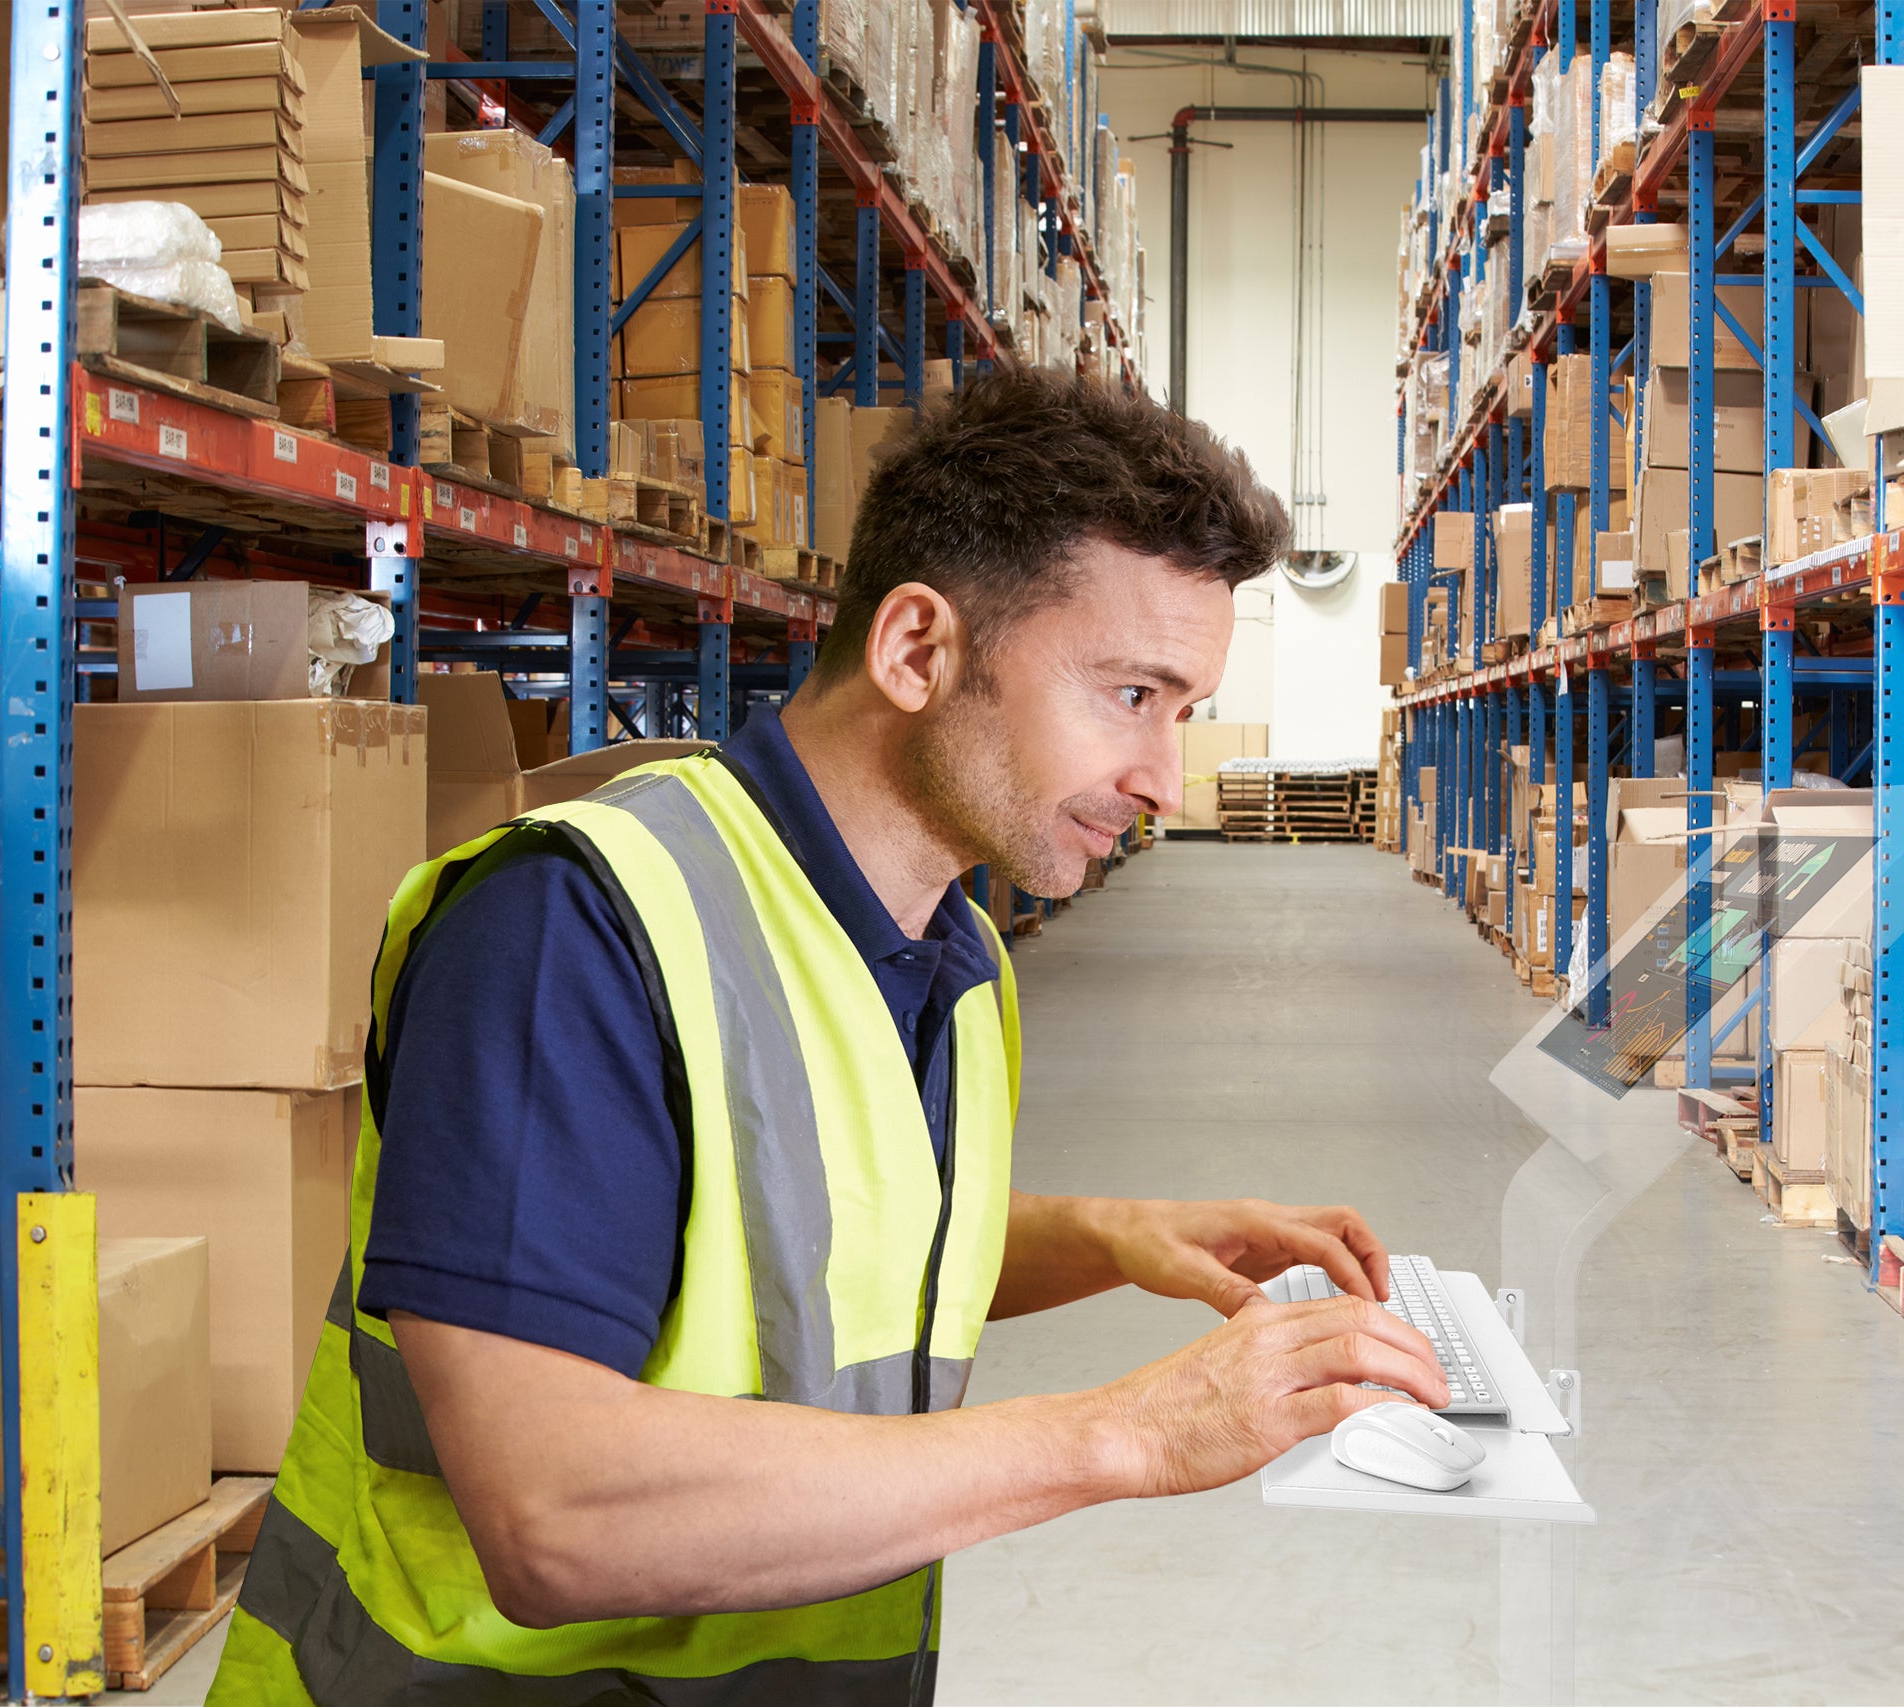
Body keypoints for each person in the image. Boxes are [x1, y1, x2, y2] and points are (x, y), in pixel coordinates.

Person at [209, 368, 1449, 1705]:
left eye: (1184, 713)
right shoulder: (570, 931)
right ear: (917, 650)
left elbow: (817, 1254)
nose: (1161, 777)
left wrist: (1106, 1238)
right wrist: (1129, 1433)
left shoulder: (955, 956)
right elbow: (551, 1513)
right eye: (1129, 695)